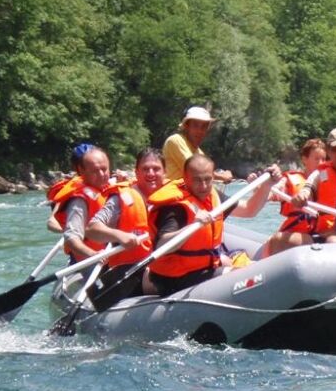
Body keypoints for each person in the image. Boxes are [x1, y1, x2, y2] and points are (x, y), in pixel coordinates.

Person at [147, 155, 281, 296]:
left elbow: (249, 209)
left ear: (213, 177)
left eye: (207, 179)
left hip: (204, 268)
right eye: (197, 180)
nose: (204, 186)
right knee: (245, 277)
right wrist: (192, 226)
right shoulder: (175, 207)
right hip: (175, 278)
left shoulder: (213, 195)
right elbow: (162, 246)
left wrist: (267, 186)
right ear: (185, 179)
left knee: (255, 269)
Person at [262, 127, 336, 256]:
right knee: (278, 240)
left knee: (333, 242)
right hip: (323, 236)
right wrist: (302, 196)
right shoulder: (320, 173)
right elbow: (308, 188)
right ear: (329, 151)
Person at [85, 148, 167, 296]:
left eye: (156, 169)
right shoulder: (121, 199)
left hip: (163, 264)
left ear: (165, 173)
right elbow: (91, 229)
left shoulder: (173, 198)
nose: (151, 174)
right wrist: (119, 235)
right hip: (130, 272)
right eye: (145, 169)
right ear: (136, 172)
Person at [47, 146, 111, 263]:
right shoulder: (77, 196)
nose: (101, 174)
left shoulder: (108, 187)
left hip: (109, 253)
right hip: (88, 260)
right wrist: (79, 230)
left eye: (104, 169)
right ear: (81, 169)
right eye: (95, 170)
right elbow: (52, 223)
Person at [271, 137, 328, 237]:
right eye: (316, 159)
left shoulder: (328, 181)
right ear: (304, 159)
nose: (321, 163)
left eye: (323, 159)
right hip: (294, 234)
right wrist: (262, 190)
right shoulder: (290, 180)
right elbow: (275, 192)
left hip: (319, 236)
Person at [161, 106, 233, 184]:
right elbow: (195, 170)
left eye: (204, 127)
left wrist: (221, 177)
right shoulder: (175, 140)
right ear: (186, 126)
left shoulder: (199, 152)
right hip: (174, 192)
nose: (199, 131)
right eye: (195, 125)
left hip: (190, 192)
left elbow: (204, 173)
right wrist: (223, 176)